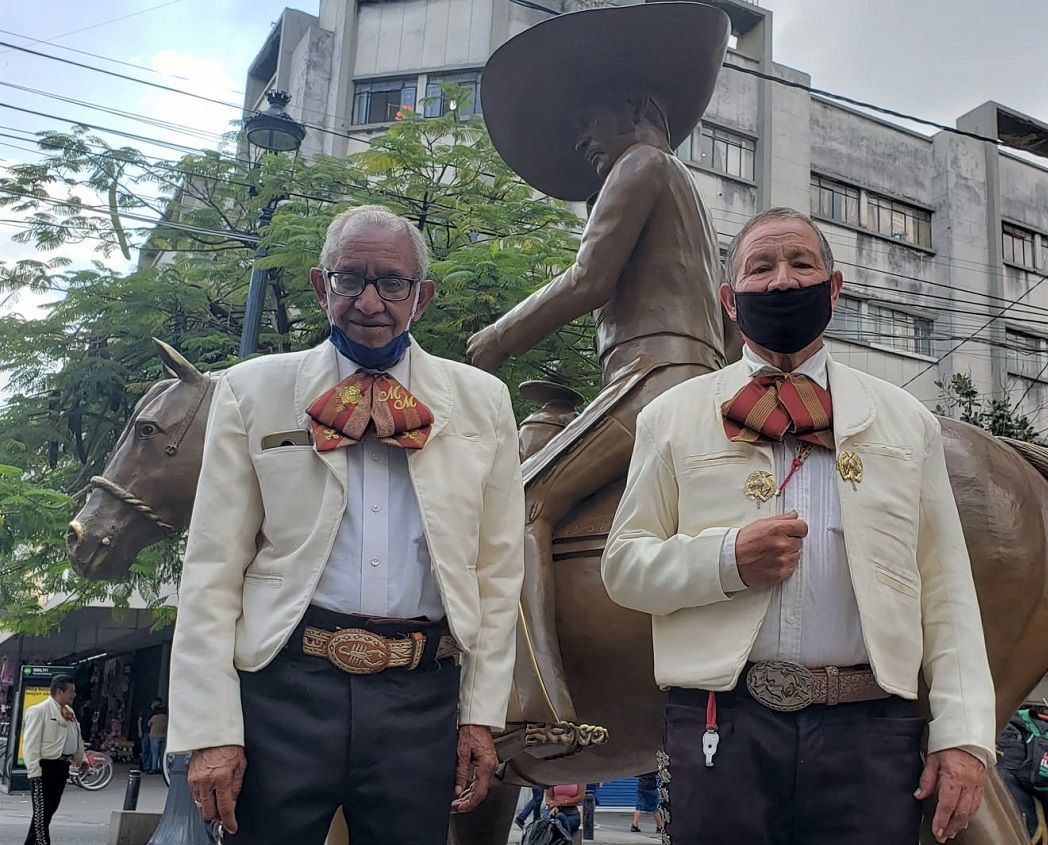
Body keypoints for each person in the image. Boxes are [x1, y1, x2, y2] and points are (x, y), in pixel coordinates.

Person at [602, 208, 996, 845]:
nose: (783, 282)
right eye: (762, 268)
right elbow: (623, 568)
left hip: (871, 726)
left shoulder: (905, 422)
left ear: (834, 289)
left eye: (801, 264)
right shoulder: (672, 418)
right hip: (721, 724)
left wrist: (964, 735)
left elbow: (947, 591)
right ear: (730, 301)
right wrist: (726, 561)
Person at [167, 205, 525, 845]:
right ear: (318, 284)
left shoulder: (482, 401)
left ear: (422, 297)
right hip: (284, 690)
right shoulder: (252, 391)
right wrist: (211, 731)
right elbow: (212, 568)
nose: (369, 300)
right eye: (349, 279)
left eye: (392, 283)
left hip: (422, 698)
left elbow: (498, 572)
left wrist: (480, 716)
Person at [467, 0, 737, 750]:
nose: (583, 138)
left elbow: (589, 278)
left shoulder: (641, 163)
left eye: (592, 119)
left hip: (652, 377)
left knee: (519, 502)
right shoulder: (692, 203)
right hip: (691, 373)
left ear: (641, 110)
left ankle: (529, 695)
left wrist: (496, 338)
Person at [23, 675, 87, 845]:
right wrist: (34, 771)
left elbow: (75, 737)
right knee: (41, 814)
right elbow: (30, 744)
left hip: (61, 766)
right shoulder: (39, 711)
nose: (74, 694)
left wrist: (82, 759)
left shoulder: (68, 712)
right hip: (44, 767)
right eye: (71, 691)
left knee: (47, 812)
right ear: (59, 691)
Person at [146, 706, 168, 774]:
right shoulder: (166, 718)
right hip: (163, 736)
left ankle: (153, 768)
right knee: (161, 754)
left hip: (154, 736)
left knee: (154, 753)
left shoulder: (154, 717)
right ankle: (161, 767)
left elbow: (148, 724)